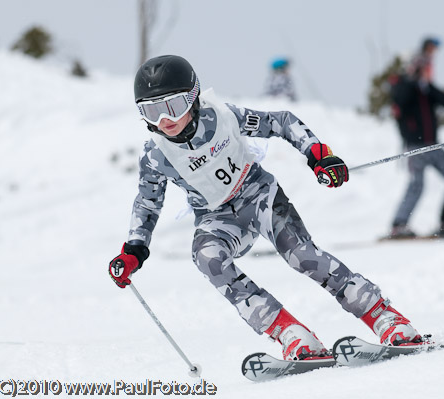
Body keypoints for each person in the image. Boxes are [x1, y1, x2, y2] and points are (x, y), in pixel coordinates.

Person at [108, 55, 424, 361]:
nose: (166, 121)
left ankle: (385, 317)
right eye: (152, 112)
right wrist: (134, 249)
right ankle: (290, 333)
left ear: (193, 99)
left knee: (301, 256)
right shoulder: (156, 155)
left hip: (259, 196)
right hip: (216, 217)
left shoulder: (223, 117)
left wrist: (318, 154)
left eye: (173, 106)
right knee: (206, 257)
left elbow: (282, 122)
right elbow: (148, 202)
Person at [389, 38, 444, 239]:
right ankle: (399, 225)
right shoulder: (403, 85)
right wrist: (412, 81)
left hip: (432, 145)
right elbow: (400, 102)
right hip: (415, 147)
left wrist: (426, 85)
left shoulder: (425, 88)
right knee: (417, 185)